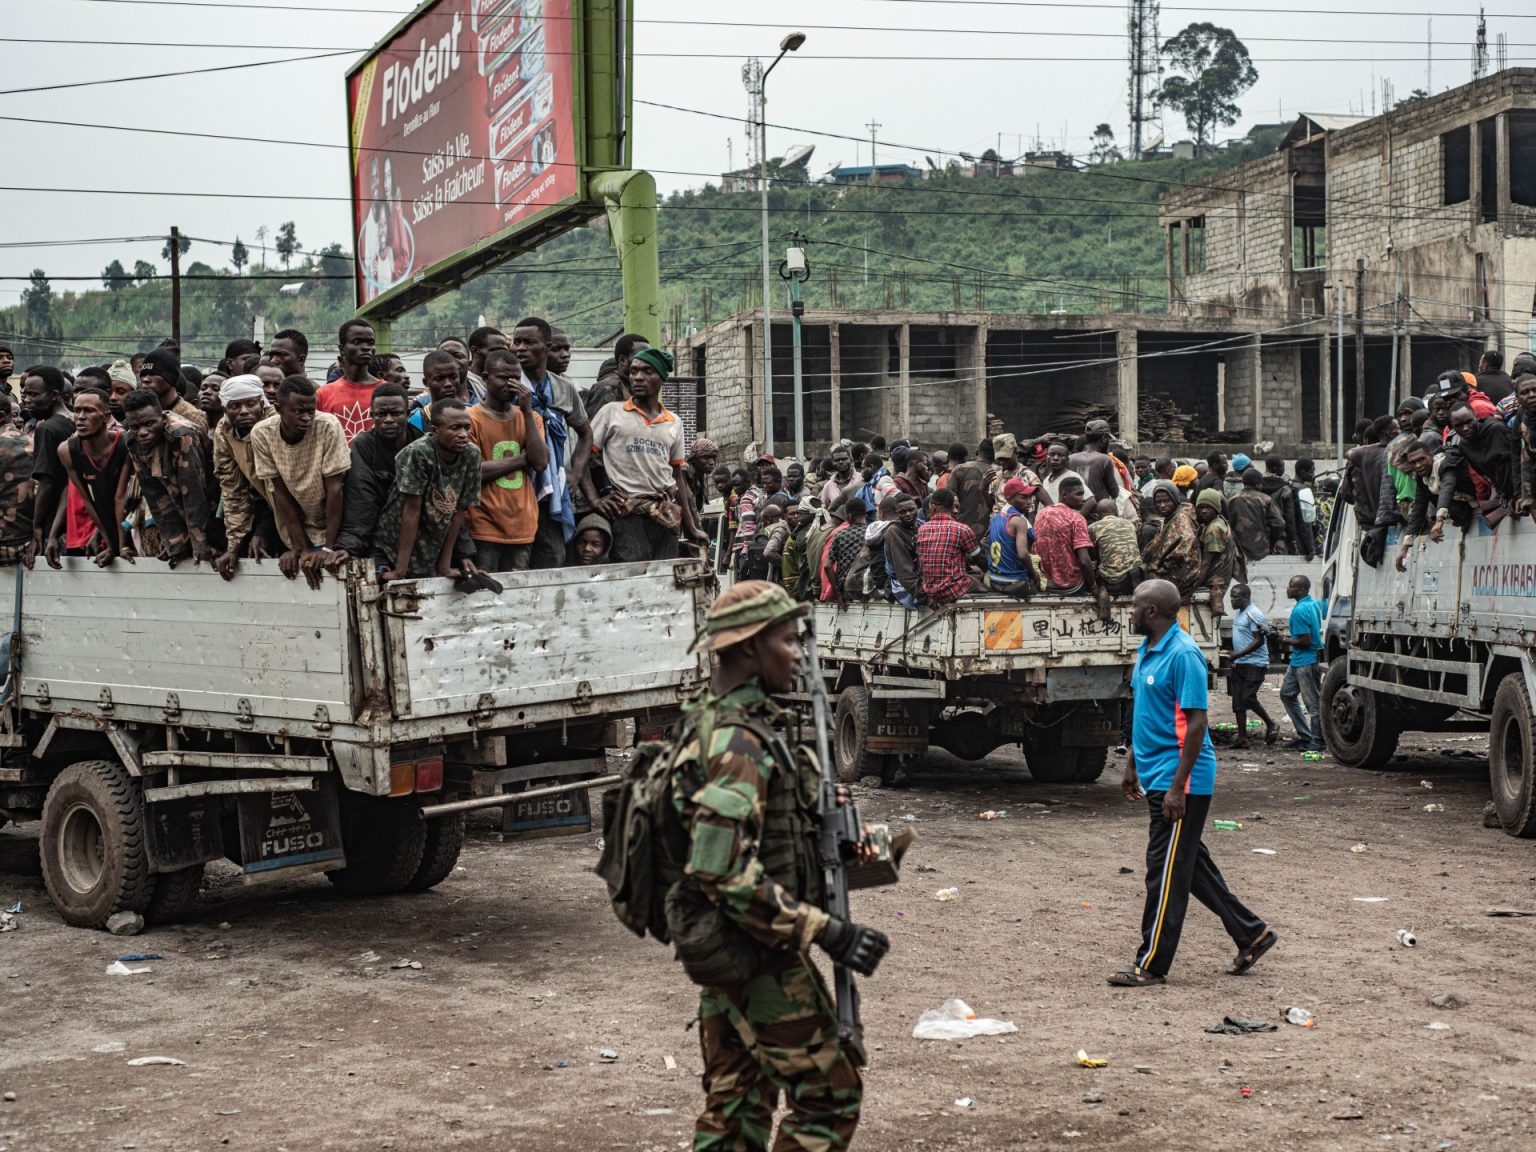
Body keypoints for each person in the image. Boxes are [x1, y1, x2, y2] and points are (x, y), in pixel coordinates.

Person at [675, 581, 886, 1150]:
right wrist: (828, 931)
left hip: (730, 948)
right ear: (749, 646)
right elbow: (723, 872)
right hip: (755, 953)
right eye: (788, 642)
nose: (797, 655)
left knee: (736, 1109)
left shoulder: (727, 724)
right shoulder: (736, 740)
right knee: (829, 1097)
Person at [1109, 578, 1275, 988]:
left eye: (1135, 605)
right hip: (1157, 775)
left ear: (1152, 612)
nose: (1130, 611)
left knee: (1164, 872)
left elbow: (1197, 723)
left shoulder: (1184, 655)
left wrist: (1177, 787)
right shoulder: (1148, 649)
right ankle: (1252, 933)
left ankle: (1151, 964)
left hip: (1180, 780)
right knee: (1189, 865)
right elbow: (1145, 713)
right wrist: (1131, 764)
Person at [583, 346, 706, 562]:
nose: (638, 377)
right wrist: (595, 499)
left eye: (647, 371)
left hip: (664, 515)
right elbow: (581, 459)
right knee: (634, 575)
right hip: (626, 514)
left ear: (662, 378)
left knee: (665, 575)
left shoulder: (674, 422)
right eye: (634, 371)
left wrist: (691, 527)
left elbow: (676, 476)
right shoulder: (612, 412)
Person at [250, 376, 351, 589]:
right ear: (279, 409)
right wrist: (302, 547)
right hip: (300, 523)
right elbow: (280, 493)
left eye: (310, 411)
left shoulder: (328, 426)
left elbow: (335, 489)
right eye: (298, 412)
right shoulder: (262, 433)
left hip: (338, 523)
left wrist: (328, 548)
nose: (306, 418)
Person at [512, 316, 594, 569]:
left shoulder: (563, 388)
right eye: (517, 342)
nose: (520, 348)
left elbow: (586, 433)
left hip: (552, 490)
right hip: (515, 487)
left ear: (546, 347)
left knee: (553, 556)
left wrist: (576, 473)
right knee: (517, 560)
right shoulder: (508, 385)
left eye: (529, 342)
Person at [373, 399, 484, 582]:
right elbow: (411, 511)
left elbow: (459, 511)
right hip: (394, 544)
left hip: (432, 545)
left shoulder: (471, 454)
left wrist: (445, 566)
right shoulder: (418, 452)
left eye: (467, 427)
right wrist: (400, 571)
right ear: (435, 430)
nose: (463, 434)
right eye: (455, 428)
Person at [464, 347, 548, 572]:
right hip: (483, 524)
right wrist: (521, 460)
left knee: (517, 589)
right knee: (485, 587)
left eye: (516, 378)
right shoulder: (470, 419)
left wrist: (527, 411)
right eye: (503, 378)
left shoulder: (531, 418)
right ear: (486, 377)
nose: (511, 385)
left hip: (522, 524)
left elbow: (540, 462)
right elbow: (472, 471)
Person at [119, 388, 214, 566]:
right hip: (180, 504)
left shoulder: (182, 434)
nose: (142, 432)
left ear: (162, 417)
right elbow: (154, 493)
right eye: (135, 427)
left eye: (149, 424)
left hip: (212, 504)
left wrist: (199, 543)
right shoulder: (132, 440)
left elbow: (194, 493)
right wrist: (175, 542)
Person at [335, 382, 424, 563]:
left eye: (396, 413)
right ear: (372, 416)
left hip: (421, 535)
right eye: (381, 414)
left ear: (407, 414)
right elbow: (361, 499)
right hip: (378, 537)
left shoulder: (423, 446)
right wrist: (348, 546)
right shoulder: (363, 446)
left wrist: (463, 552)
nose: (388, 420)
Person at [52, 387, 127, 566]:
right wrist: (109, 542)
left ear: (105, 416)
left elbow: (120, 497)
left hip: (130, 520)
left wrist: (121, 546)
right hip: (104, 522)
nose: (80, 417)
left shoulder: (124, 443)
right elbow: (87, 499)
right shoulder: (67, 450)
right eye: (77, 410)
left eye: (89, 411)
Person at [19, 366, 76, 568]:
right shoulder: (75, 420)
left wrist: (37, 527)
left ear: (54, 395)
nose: (27, 400)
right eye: (25, 394)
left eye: (34, 395)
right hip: (72, 518)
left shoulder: (47, 429)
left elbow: (47, 483)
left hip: (54, 524)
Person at [1227, 584, 1279, 748]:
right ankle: (1242, 738)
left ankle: (1271, 723)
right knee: (1238, 703)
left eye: (1235, 597)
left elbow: (1259, 641)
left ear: (1245, 597)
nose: (1232, 600)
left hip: (1255, 663)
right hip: (1240, 663)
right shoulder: (1239, 613)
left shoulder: (1253, 614)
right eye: (1231, 596)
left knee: (1247, 698)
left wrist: (1238, 654)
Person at [1280, 574, 1326, 752]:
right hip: (1300, 660)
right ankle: (1305, 735)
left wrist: (1283, 640)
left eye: (1291, 586)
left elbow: (1305, 641)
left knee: (1312, 702)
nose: (1288, 588)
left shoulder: (1299, 611)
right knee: (1286, 694)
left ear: (1300, 590)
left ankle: (1317, 741)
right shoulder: (1312, 603)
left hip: (1306, 661)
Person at [314, 320, 380, 444]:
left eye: (371, 343)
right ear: (342, 349)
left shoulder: (386, 391)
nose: (366, 347)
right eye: (357, 342)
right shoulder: (323, 394)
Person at [916, 487, 980, 605]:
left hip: (929, 590)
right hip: (952, 590)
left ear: (933, 507)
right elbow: (979, 558)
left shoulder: (922, 529)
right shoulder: (962, 529)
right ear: (952, 506)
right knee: (982, 583)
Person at [1032, 476, 1096, 594]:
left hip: (1045, 583)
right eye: (1079, 494)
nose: (1083, 499)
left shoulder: (1041, 514)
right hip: (1070, 585)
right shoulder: (1077, 518)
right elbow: (1084, 560)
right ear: (1064, 494)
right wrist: (1093, 586)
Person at [1141, 481, 1202, 597]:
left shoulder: (1181, 518)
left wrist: (1164, 567)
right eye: (1158, 502)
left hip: (1182, 574)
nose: (1162, 505)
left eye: (1166, 501)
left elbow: (1186, 542)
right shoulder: (1171, 517)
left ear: (1174, 499)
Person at [984, 477, 1040, 594]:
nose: (1029, 502)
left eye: (1030, 497)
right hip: (1013, 580)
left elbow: (985, 543)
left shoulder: (995, 517)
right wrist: (1033, 574)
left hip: (994, 578)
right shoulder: (1019, 521)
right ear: (1009, 499)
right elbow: (1023, 555)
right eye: (1024, 497)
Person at [1193, 489, 1241, 617]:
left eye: (1208, 507)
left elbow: (1206, 563)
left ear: (1216, 509)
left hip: (1214, 583)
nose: (1204, 511)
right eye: (1201, 507)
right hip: (1216, 581)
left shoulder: (1214, 529)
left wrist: (1191, 590)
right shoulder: (1218, 521)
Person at [138, 347, 207, 433]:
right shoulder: (143, 414)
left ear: (170, 378)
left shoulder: (191, 416)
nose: (145, 379)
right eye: (143, 375)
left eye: (153, 373)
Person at [1226, 469, 1287, 563]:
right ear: (1258, 484)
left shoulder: (1232, 500)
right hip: (1261, 550)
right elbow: (1279, 523)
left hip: (1238, 550)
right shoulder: (1265, 499)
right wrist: (1271, 543)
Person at [1089, 496, 1143, 595]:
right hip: (1134, 578)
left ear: (1097, 515)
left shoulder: (1094, 527)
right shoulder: (1130, 524)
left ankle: (1103, 588)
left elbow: (1091, 554)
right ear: (1117, 511)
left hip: (1111, 581)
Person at [586, 332, 649, 416]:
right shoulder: (609, 387)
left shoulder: (632, 386)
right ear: (622, 360)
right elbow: (598, 422)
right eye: (641, 357)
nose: (647, 361)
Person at [410, 350, 471, 432]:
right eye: (439, 379)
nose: (448, 384)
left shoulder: (472, 414)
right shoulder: (416, 420)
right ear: (426, 382)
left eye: (453, 377)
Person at [1069, 420, 1124, 503]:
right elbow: (1114, 493)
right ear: (1104, 438)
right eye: (1108, 438)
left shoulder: (1071, 459)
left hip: (1074, 508)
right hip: (1098, 508)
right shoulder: (1104, 459)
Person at [464, 325, 508, 404]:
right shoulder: (463, 384)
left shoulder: (509, 382)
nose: (501, 355)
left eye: (504, 351)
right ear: (475, 351)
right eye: (495, 350)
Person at [684, 437, 719, 515]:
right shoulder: (687, 474)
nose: (712, 462)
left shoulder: (700, 476)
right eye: (706, 458)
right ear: (694, 459)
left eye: (714, 457)